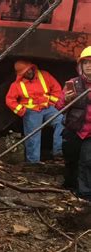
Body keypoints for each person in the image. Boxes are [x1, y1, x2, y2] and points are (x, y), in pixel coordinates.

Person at [6, 60, 64, 163]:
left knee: (62, 121)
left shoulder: (44, 75)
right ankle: (33, 162)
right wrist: (22, 111)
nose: (29, 72)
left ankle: (58, 152)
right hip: (31, 111)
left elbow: (57, 89)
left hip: (47, 108)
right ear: (21, 74)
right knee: (33, 136)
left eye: (29, 70)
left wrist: (52, 102)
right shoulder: (16, 85)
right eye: (25, 72)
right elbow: (10, 100)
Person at [58, 46, 91, 200]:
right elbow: (58, 106)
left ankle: (84, 194)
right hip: (74, 129)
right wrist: (67, 100)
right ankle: (70, 186)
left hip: (90, 133)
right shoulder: (73, 83)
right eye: (86, 63)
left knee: (87, 161)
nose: (89, 65)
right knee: (71, 159)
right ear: (81, 66)